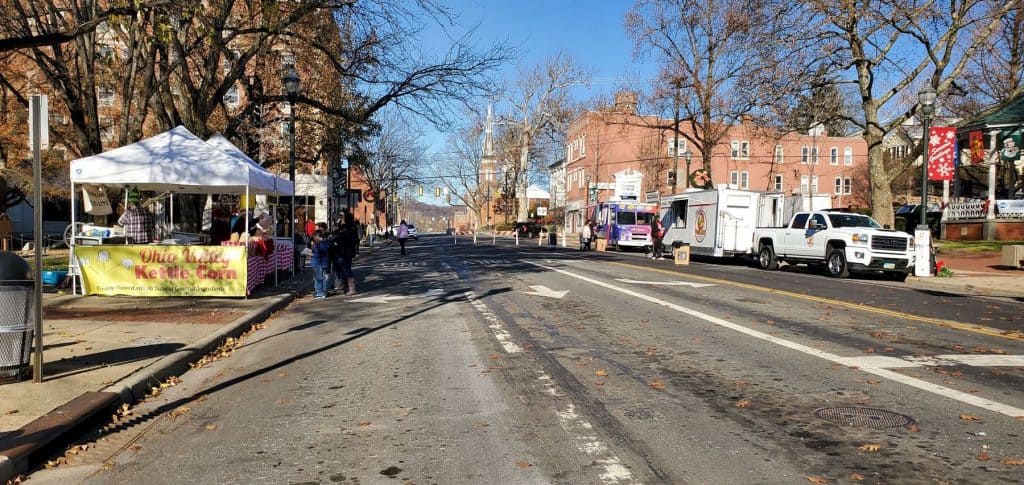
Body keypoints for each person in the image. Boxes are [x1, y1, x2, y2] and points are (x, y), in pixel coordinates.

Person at [332, 212, 361, 295]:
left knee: (345, 269)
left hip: (343, 251)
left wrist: (337, 223)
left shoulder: (345, 228)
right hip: (349, 251)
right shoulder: (353, 227)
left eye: (344, 218)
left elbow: (335, 234)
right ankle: (346, 287)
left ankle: (351, 288)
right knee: (346, 268)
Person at [310, 229, 331, 299]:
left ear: (317, 236)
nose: (313, 238)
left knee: (319, 279)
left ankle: (320, 293)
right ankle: (322, 291)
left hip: (318, 263)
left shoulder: (320, 243)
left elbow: (319, 253)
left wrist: (314, 248)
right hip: (322, 263)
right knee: (322, 278)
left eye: (314, 237)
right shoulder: (323, 243)